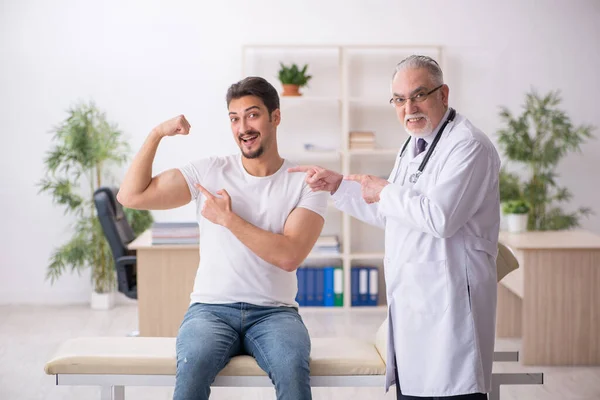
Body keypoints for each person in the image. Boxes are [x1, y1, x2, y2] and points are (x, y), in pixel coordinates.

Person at [289, 55, 500, 399]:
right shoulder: (413, 144)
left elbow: (440, 218)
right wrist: (339, 186)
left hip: (451, 309)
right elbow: (393, 214)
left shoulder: (468, 146)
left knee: (453, 388)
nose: (409, 107)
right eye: (399, 100)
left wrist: (384, 190)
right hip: (415, 309)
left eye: (419, 95)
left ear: (443, 94)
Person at [117, 76, 328, 400]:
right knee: (190, 372)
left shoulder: (305, 182)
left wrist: (229, 219)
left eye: (253, 114)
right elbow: (131, 195)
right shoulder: (209, 172)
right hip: (210, 310)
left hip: (275, 312)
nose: (243, 127)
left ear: (276, 116)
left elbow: (289, 255)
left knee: (293, 375)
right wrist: (157, 133)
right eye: (234, 118)